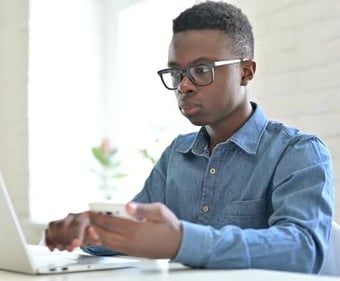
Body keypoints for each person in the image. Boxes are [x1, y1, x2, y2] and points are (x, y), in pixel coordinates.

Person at [44, 1, 334, 274]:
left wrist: (182, 241)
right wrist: (89, 228)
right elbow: (136, 228)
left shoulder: (298, 152)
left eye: (201, 70)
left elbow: (303, 249)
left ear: (245, 72)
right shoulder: (177, 155)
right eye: (176, 72)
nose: (184, 85)